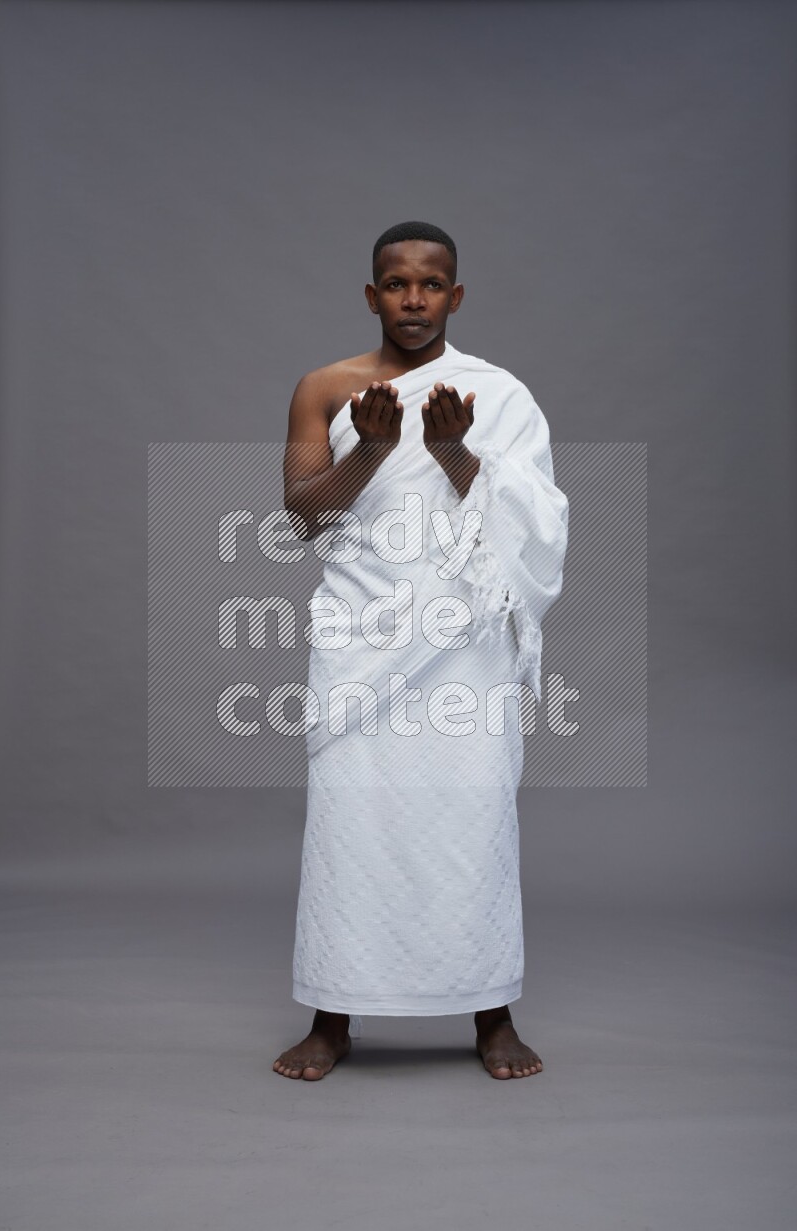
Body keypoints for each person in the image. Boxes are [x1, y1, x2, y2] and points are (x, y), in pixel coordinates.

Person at [273, 221, 569, 1080]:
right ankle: (332, 1016)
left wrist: (452, 452)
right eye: (395, 284)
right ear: (372, 295)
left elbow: (537, 522)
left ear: (456, 295)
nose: (413, 298)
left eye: (430, 284)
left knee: (469, 820)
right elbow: (304, 518)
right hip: (360, 638)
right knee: (350, 822)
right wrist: (369, 449)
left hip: (462, 647)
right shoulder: (324, 389)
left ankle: (491, 1012)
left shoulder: (496, 395)